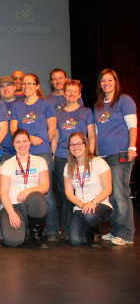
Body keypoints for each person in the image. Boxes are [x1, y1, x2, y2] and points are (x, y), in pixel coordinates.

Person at [10, 73, 59, 241]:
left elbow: (52, 129)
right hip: (23, 153)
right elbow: (13, 131)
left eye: (30, 83)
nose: (26, 86)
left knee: (47, 192)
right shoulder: (17, 106)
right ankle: (28, 227)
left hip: (42, 151)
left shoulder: (46, 104)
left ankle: (52, 229)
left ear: (37, 86)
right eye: (23, 83)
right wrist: (29, 139)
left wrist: (42, 141)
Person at [94, 69, 137, 246]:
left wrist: (132, 147)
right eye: (103, 81)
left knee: (120, 195)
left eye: (110, 80)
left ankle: (126, 234)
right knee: (110, 197)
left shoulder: (124, 100)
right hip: (103, 155)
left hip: (120, 153)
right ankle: (115, 230)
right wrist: (95, 153)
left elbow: (132, 126)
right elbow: (96, 132)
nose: (106, 84)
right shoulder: (98, 105)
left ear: (115, 81)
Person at [52, 79, 95, 240]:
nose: (71, 94)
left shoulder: (86, 112)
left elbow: (91, 135)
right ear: (63, 93)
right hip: (63, 158)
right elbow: (55, 137)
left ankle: (87, 225)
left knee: (82, 192)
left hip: (82, 158)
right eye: (68, 91)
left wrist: (91, 154)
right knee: (66, 195)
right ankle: (68, 228)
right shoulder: (58, 114)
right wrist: (53, 156)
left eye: (74, 91)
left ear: (80, 95)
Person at [0, 129, 50, 249]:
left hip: (31, 203)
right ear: (13, 144)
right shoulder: (7, 164)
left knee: (37, 196)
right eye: (17, 142)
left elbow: (45, 186)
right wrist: (11, 213)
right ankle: (17, 228)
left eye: (24, 141)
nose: (21, 145)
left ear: (30, 142)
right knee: (13, 241)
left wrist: (28, 191)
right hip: (13, 205)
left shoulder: (40, 161)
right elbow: (3, 192)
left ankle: (36, 235)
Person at [64, 132, 113, 247]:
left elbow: (108, 189)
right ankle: (89, 228)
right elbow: (68, 193)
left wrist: (93, 202)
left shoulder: (99, 163)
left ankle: (97, 231)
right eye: (72, 145)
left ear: (85, 145)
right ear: (69, 147)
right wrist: (82, 205)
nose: (76, 147)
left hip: (100, 204)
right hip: (81, 207)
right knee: (76, 241)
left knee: (90, 215)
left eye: (79, 143)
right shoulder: (69, 166)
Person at [0, 75, 17, 163]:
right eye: (2, 86)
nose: (5, 88)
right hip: (1, 152)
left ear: (14, 87)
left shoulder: (23, 104)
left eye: (8, 85)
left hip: (20, 150)